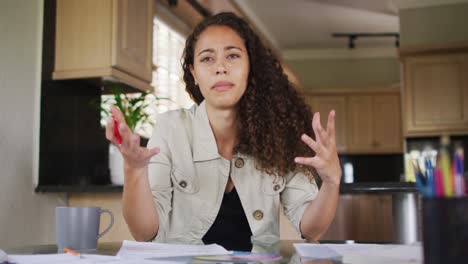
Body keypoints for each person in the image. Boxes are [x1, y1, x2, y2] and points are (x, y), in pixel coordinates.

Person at [106, 12, 341, 251]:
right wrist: (134, 171)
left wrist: (332, 181)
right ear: (194, 73)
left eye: (233, 56)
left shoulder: (279, 133)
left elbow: (312, 228)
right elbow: (144, 233)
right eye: (207, 59)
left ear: (251, 67)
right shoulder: (170, 128)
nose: (220, 67)